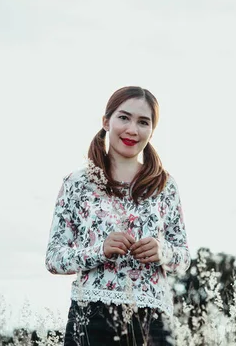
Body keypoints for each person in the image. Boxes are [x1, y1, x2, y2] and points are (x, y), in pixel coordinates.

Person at [45, 86, 190, 345]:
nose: (132, 129)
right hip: (91, 318)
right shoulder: (77, 183)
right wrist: (100, 250)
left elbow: (183, 258)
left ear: (151, 131)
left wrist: (162, 252)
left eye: (143, 122)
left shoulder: (165, 185)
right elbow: (54, 258)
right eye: (124, 117)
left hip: (153, 320)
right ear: (106, 121)